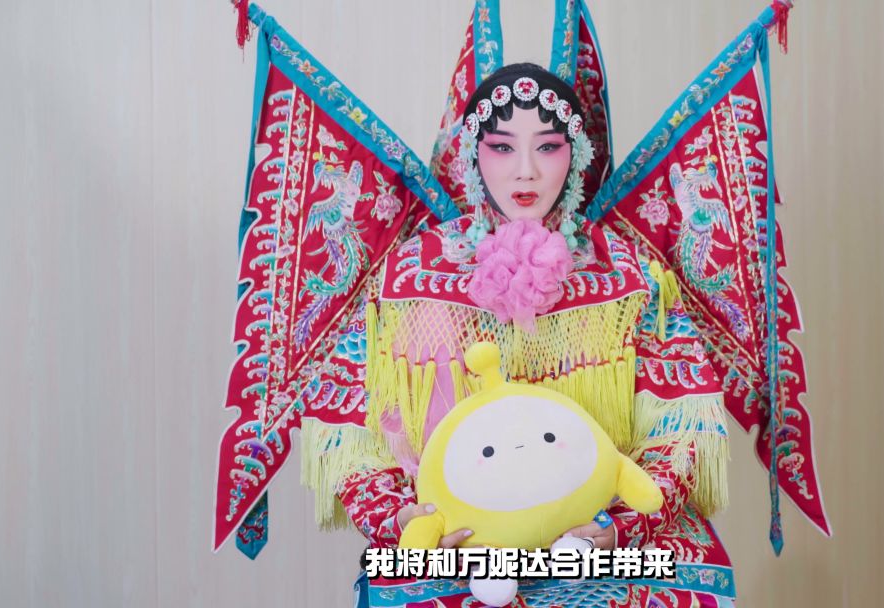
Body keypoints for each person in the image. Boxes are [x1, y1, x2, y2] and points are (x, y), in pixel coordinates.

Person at [305, 62, 735, 608]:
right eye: (503, 147)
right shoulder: (406, 275)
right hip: (459, 545)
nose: (525, 172)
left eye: (548, 147)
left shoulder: (628, 274)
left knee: (681, 579)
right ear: (473, 155)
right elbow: (351, 436)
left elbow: (681, 430)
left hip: (597, 536)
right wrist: (401, 521)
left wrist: (622, 528)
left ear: (576, 156)